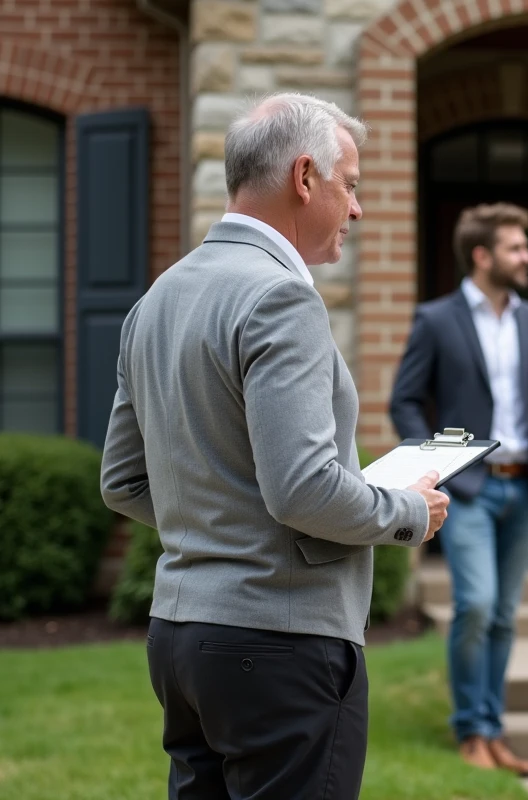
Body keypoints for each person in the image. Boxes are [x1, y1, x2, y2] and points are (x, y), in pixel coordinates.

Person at [100, 92, 449, 800]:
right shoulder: (280, 298)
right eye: (350, 185)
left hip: (181, 639)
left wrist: (217, 529)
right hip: (278, 646)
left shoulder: (157, 300)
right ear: (304, 177)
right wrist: (405, 509)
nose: (357, 209)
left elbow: (124, 482)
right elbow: (302, 489)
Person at [388, 202, 528, 777]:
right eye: (517, 247)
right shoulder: (437, 319)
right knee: (477, 605)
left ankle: (493, 730)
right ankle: (471, 730)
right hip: (467, 491)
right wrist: (439, 468)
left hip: (527, 488)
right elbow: (405, 399)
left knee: (505, 615)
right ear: (482, 255)